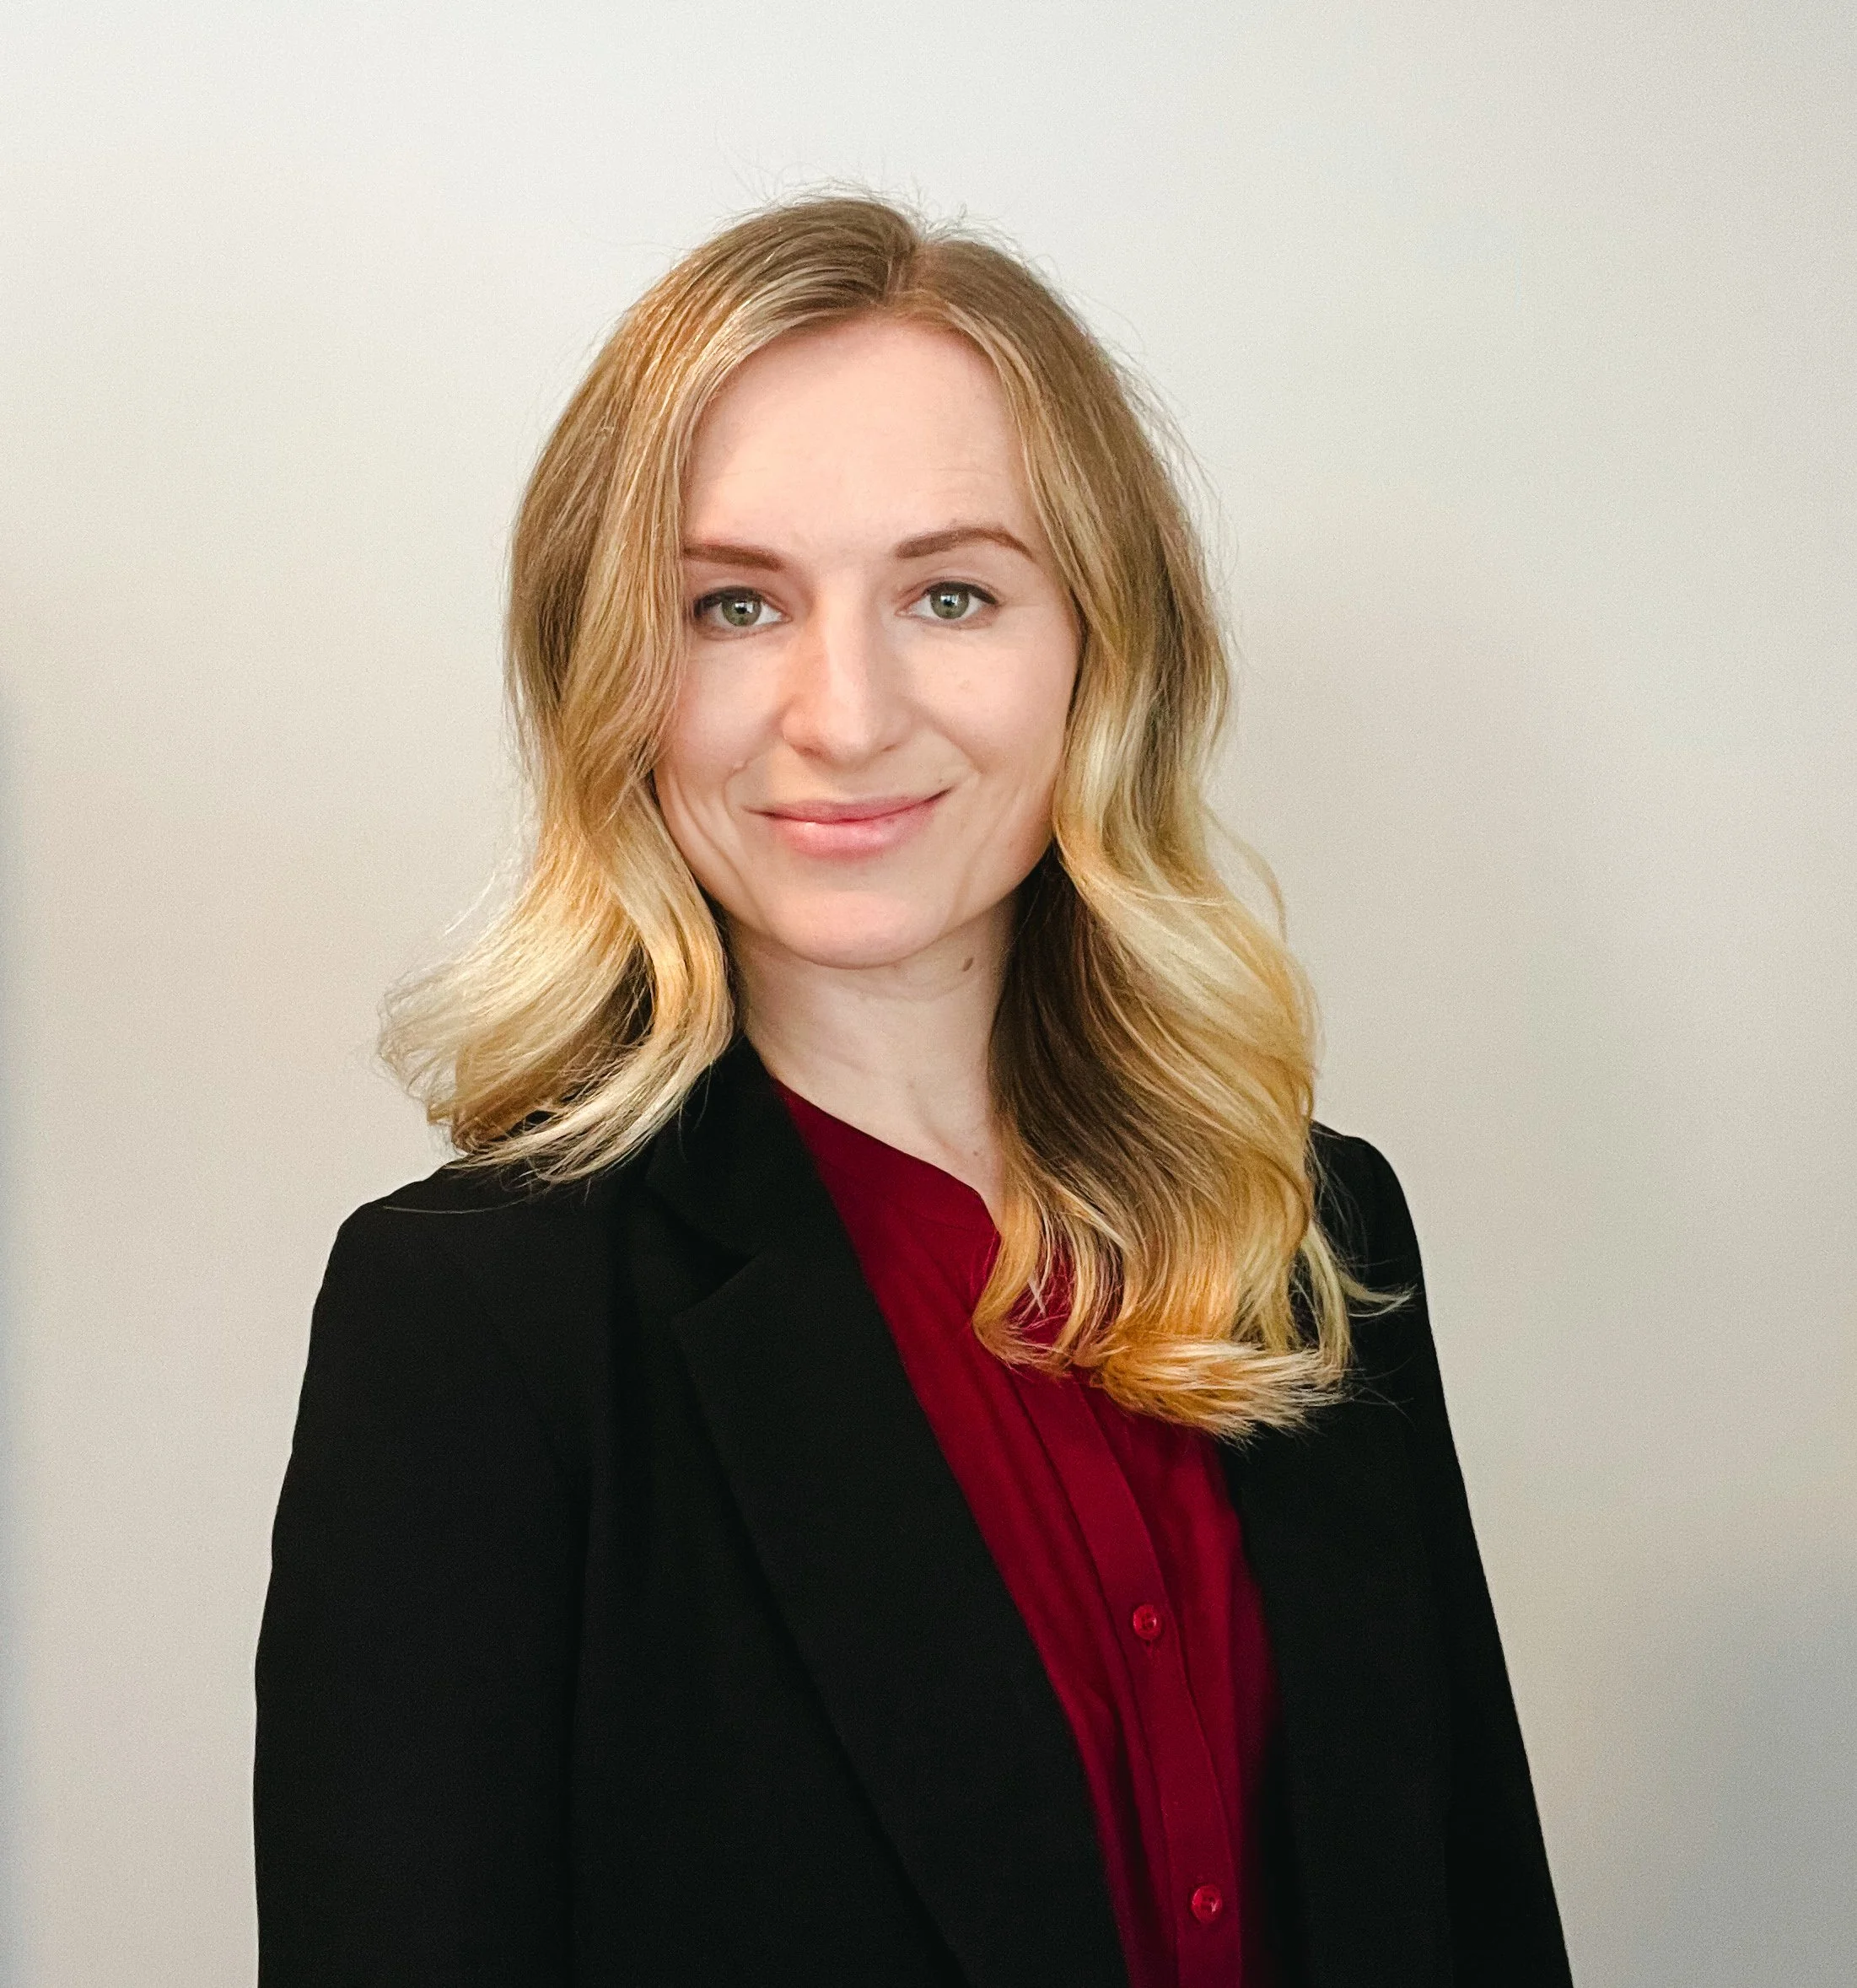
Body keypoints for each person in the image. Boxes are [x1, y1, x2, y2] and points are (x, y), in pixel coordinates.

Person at [254, 195, 1572, 1988]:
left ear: (1105, 647)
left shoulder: (1313, 1228)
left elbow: (1474, 1911)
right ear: (613, 678)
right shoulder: (481, 1321)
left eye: (951, 592)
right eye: (733, 604)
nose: (845, 711)